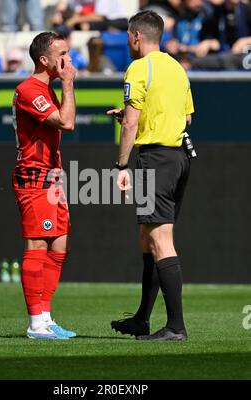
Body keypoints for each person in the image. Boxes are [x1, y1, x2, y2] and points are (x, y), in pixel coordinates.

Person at [108, 10, 194, 341]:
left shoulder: (139, 67)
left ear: (136, 37)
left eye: (129, 36)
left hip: (156, 159)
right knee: (148, 237)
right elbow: (185, 118)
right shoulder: (176, 68)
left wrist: (121, 165)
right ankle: (142, 318)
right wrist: (137, 121)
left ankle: (176, 327)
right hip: (178, 157)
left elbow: (131, 123)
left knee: (160, 239)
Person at [12, 31, 77, 339]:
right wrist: (68, 82)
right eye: (62, 54)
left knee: (59, 245)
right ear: (44, 60)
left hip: (52, 175)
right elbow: (67, 122)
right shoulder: (28, 89)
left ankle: (46, 317)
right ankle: (35, 323)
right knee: (38, 244)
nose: (68, 59)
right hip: (33, 175)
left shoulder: (47, 89)